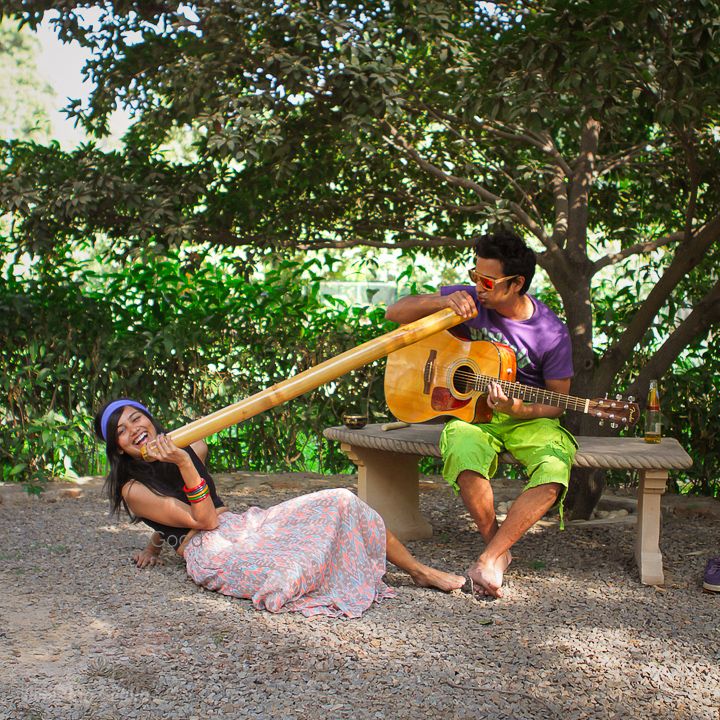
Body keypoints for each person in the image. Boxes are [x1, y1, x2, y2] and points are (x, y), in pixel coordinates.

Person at [95, 399, 465, 618]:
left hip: (244, 525)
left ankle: (419, 571)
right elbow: (202, 520)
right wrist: (183, 463)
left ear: (150, 418)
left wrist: (152, 546)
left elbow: (167, 511)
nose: (133, 429)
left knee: (340, 499)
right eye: (121, 431)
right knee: (289, 574)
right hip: (209, 549)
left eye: (135, 418)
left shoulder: (192, 447)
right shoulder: (132, 488)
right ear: (118, 448)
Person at [385, 228, 577, 599]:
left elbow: (558, 401)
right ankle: (497, 547)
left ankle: (488, 558)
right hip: (475, 414)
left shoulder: (552, 333)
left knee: (555, 467)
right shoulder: (471, 298)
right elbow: (395, 312)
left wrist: (519, 407)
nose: (479, 286)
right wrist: (441, 303)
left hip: (529, 416)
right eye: (475, 276)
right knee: (460, 444)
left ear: (517, 283)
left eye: (488, 280)